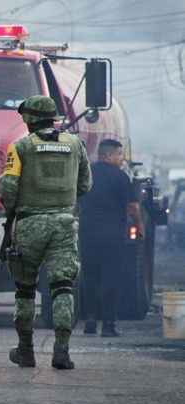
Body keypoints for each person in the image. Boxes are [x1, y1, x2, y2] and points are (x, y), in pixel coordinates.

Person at [0, 95, 92, 370]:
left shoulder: (21, 147)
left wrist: (13, 209)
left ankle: (26, 350)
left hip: (28, 225)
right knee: (63, 288)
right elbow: (85, 185)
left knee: (25, 290)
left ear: (29, 118)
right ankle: (61, 350)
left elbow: (8, 190)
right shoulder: (76, 144)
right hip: (64, 225)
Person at [78, 139, 144, 337]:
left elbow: (75, 203)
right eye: (118, 155)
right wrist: (140, 227)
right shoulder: (121, 177)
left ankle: (90, 321)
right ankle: (108, 325)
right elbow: (133, 207)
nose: (121, 159)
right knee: (111, 279)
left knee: (90, 277)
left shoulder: (86, 174)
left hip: (88, 234)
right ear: (108, 154)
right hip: (113, 236)